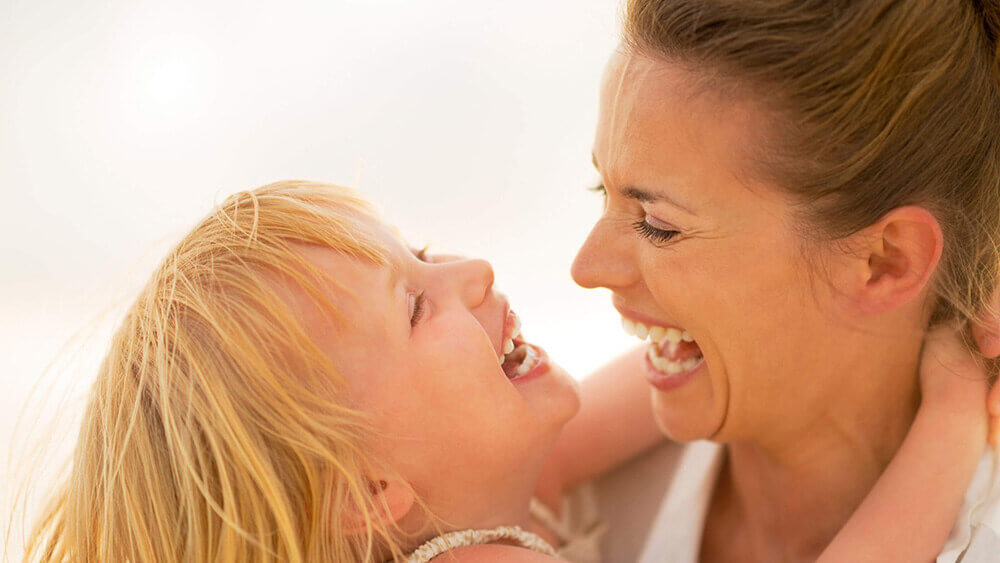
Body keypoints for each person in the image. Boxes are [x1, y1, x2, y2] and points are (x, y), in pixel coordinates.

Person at [21, 181, 1000, 562]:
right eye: (414, 306)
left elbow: (708, 352)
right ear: (373, 490)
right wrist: (953, 407)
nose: (470, 273)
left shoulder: (465, 501)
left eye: (420, 248)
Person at [568, 0, 1000, 561]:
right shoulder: (571, 501)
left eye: (659, 225)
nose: (586, 268)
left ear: (884, 262)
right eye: (603, 191)